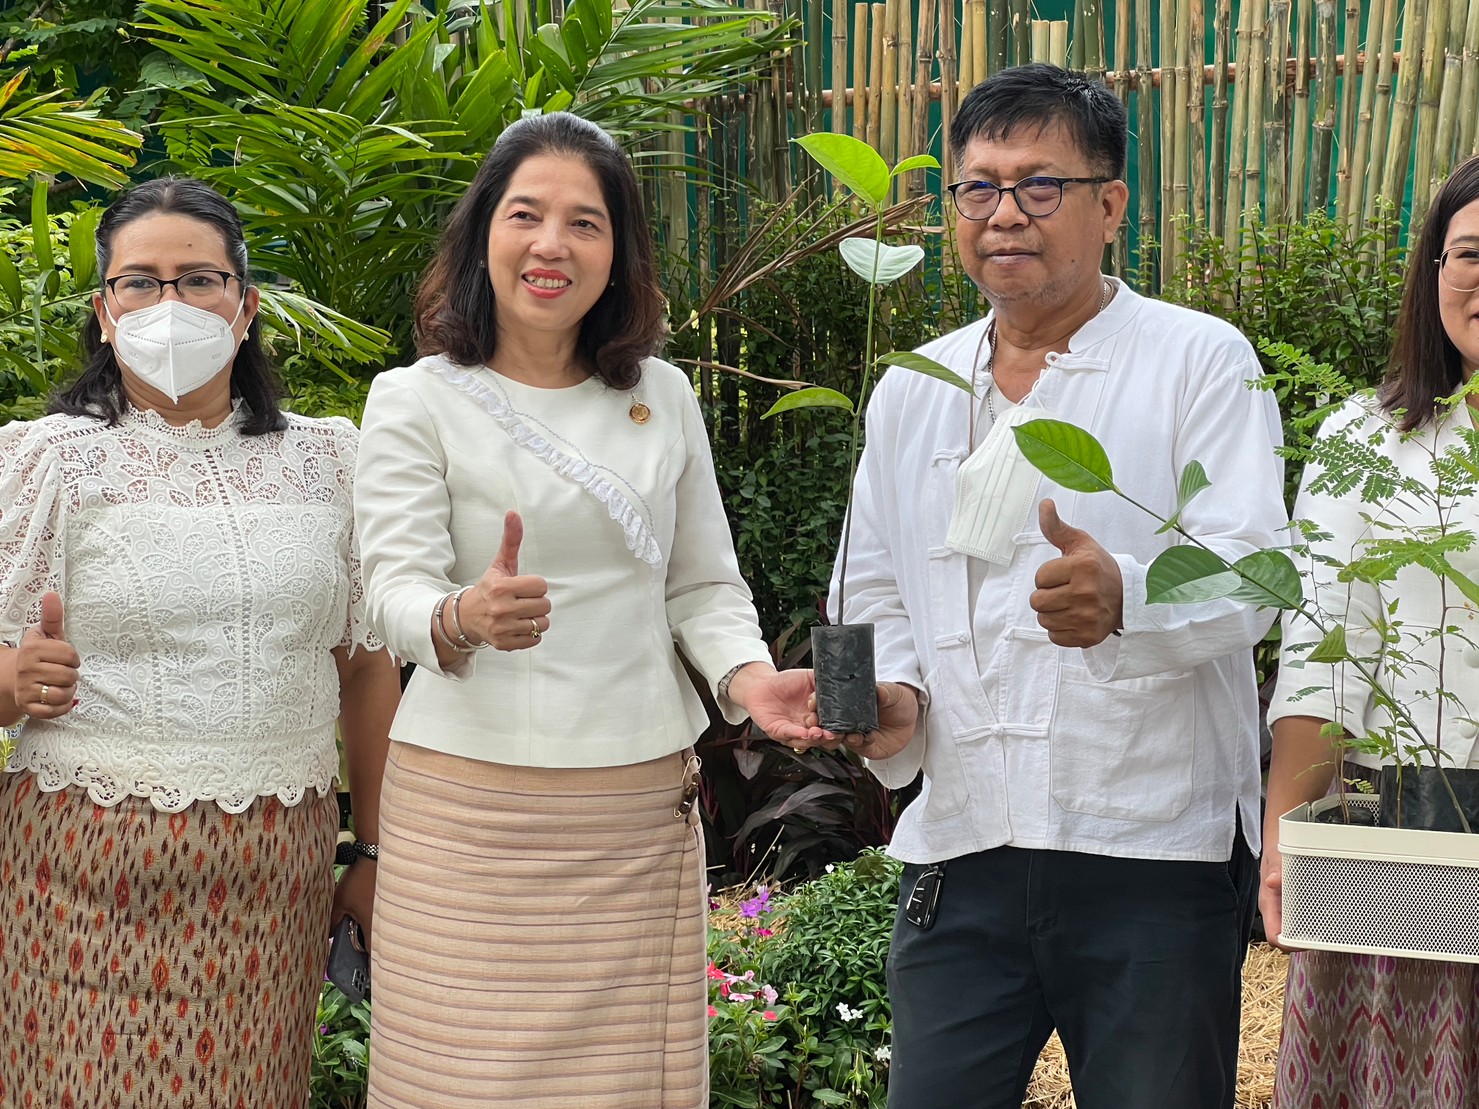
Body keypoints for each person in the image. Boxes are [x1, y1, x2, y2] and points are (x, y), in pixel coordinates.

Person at [824, 64, 1287, 1108]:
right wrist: (896, 696)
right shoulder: (913, 386)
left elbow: (1257, 569)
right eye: (977, 187)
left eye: (1041, 185)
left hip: (1149, 845)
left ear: (1109, 205)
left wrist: (1128, 595)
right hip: (964, 839)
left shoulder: (1198, 359)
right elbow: (876, 585)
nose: (1004, 214)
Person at [352, 110, 826, 1108]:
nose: (552, 244)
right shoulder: (415, 398)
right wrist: (464, 615)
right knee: (456, 1082)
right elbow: (391, 589)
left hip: (631, 804)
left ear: (619, 253)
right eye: (526, 214)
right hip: (467, 806)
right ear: (484, 233)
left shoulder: (664, 396)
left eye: (585, 222)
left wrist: (748, 678)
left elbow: (702, 583)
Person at [0, 177, 398, 1107]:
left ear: (245, 305)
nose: (168, 304)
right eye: (139, 282)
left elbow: (366, 666)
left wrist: (374, 855)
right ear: (105, 312)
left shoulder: (330, 459)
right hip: (79, 873)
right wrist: (12, 683)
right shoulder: (47, 459)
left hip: (276, 881)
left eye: (198, 280)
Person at [1262, 155, 1479, 1109]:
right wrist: (1284, 840)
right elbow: (1323, 661)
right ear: (1433, 271)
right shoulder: (1367, 440)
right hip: (1407, 853)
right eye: (1470, 252)